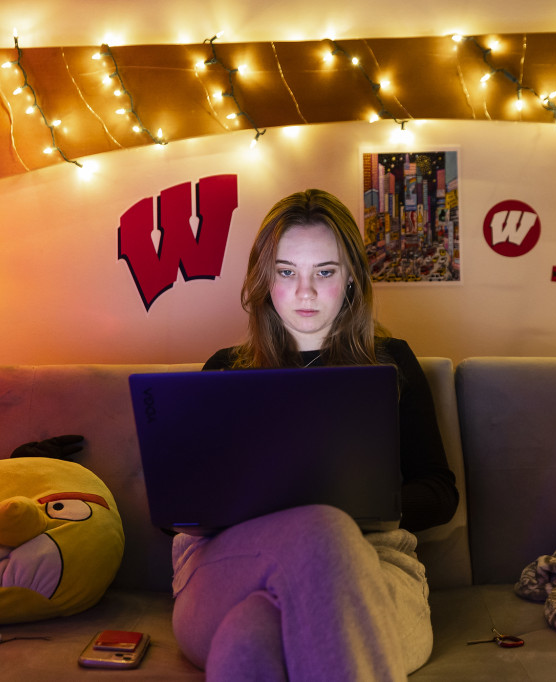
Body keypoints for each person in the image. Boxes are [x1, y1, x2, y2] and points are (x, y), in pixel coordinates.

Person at [171, 189, 459, 681]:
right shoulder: (223, 371)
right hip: (230, 566)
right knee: (316, 531)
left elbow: (439, 492)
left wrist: (344, 510)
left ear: (350, 279)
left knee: (252, 639)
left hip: (374, 565)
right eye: (286, 272)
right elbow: (174, 511)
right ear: (265, 280)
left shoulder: (391, 363)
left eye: (324, 272)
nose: (305, 292)